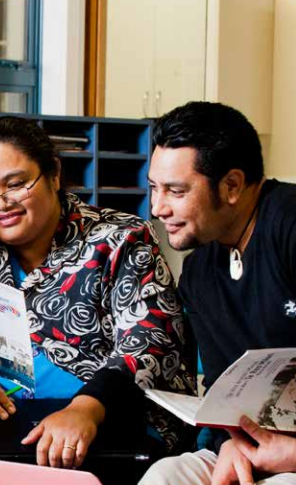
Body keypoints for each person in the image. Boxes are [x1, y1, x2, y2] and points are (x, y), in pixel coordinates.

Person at [0, 116, 195, 483]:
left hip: (102, 419)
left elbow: (152, 339)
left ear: (53, 174)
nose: (0, 204)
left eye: (16, 185)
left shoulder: (120, 238)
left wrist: (85, 409)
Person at [140, 101, 296, 485]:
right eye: (154, 188)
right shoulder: (198, 272)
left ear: (231, 186)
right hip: (252, 445)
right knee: (167, 474)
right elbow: (225, 391)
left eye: (175, 191)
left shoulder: (289, 226)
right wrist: (230, 444)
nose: (158, 208)